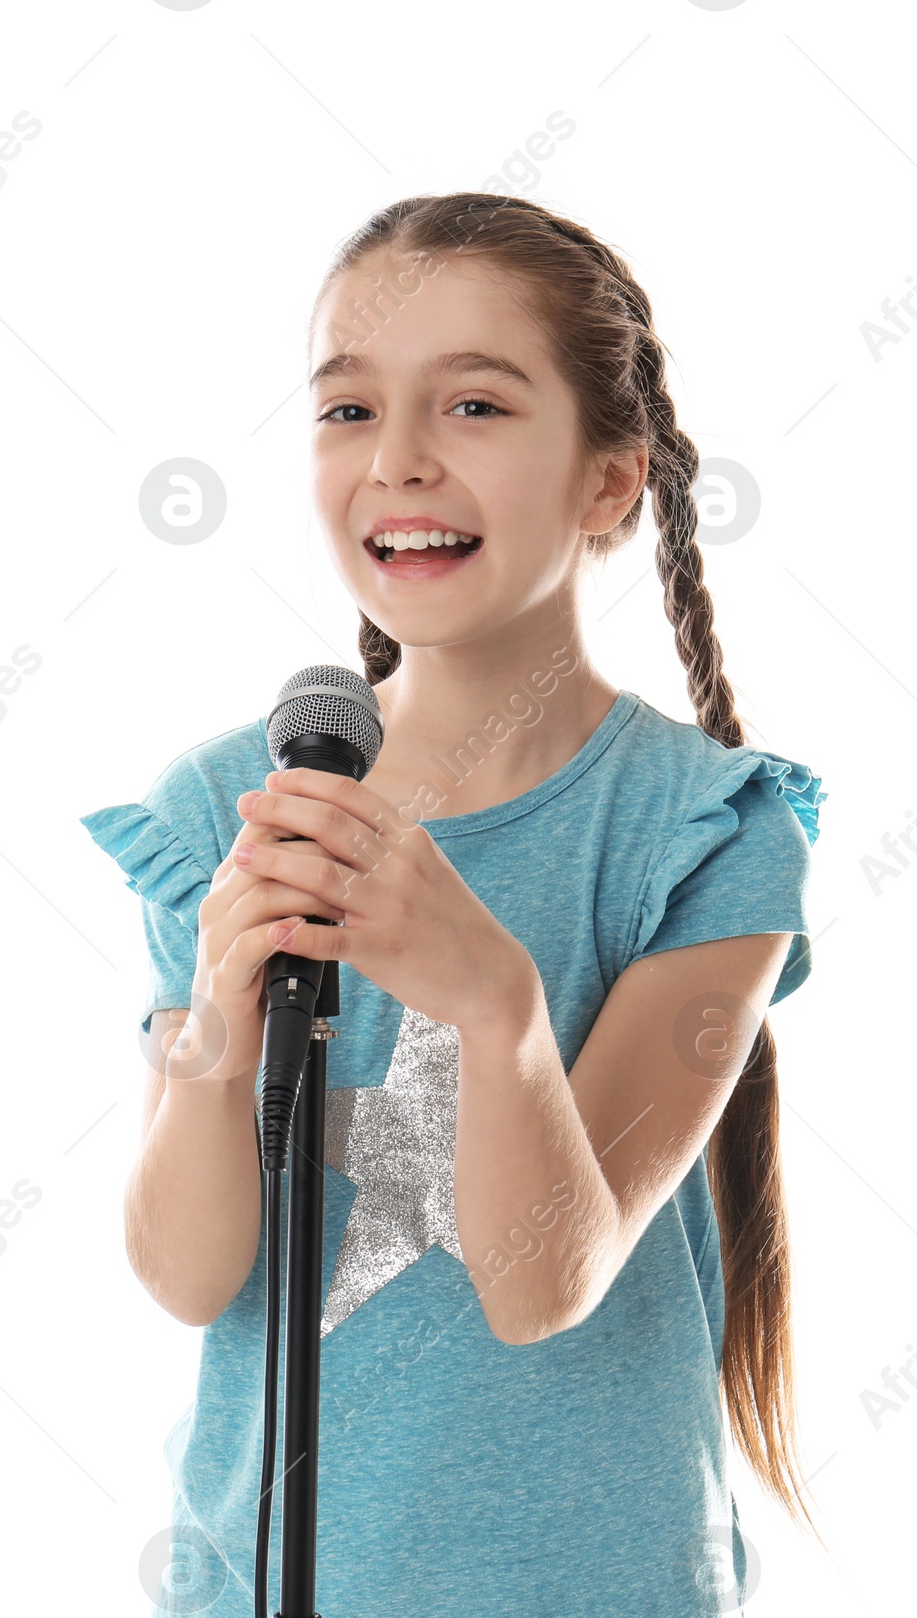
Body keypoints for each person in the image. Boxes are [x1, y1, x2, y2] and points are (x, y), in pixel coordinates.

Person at [80, 192, 827, 1616]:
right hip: (263, 1583)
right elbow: (189, 1272)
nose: (400, 461)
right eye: (349, 409)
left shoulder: (700, 834)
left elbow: (543, 1279)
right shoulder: (229, 805)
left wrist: (493, 1000)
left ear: (612, 484)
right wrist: (218, 1030)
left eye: (474, 403)